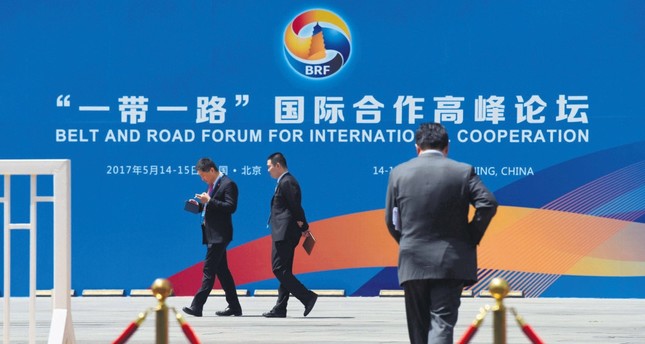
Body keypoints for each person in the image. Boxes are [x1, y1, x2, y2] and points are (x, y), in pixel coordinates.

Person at [385, 123, 498, 344]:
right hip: (450, 259)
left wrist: (407, 241)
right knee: (442, 324)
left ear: (417, 148)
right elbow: (488, 203)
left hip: (412, 260)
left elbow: (391, 220)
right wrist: (469, 237)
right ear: (447, 147)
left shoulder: (398, 173)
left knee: (418, 328)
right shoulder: (463, 171)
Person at [182, 158, 243, 317]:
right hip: (212, 234)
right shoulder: (213, 185)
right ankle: (235, 307)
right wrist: (199, 205)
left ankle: (197, 306)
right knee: (222, 272)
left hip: (220, 235)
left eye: (203, 176)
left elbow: (231, 207)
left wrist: (209, 200)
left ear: (211, 170)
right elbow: (212, 207)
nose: (203, 179)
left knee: (208, 269)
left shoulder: (228, 184)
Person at [262, 152, 318, 318]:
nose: (268, 170)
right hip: (283, 231)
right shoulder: (284, 182)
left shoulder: (288, 182)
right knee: (284, 270)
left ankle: (307, 297)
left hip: (285, 232)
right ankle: (280, 307)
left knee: (278, 269)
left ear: (278, 165)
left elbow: (296, 207)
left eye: (269, 166)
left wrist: (304, 227)